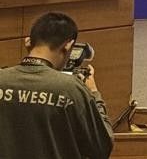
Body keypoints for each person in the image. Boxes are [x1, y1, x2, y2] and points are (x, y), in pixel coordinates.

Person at [0, 11, 114, 159]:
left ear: (28, 42)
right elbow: (102, 147)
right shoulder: (71, 89)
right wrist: (93, 93)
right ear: (68, 45)